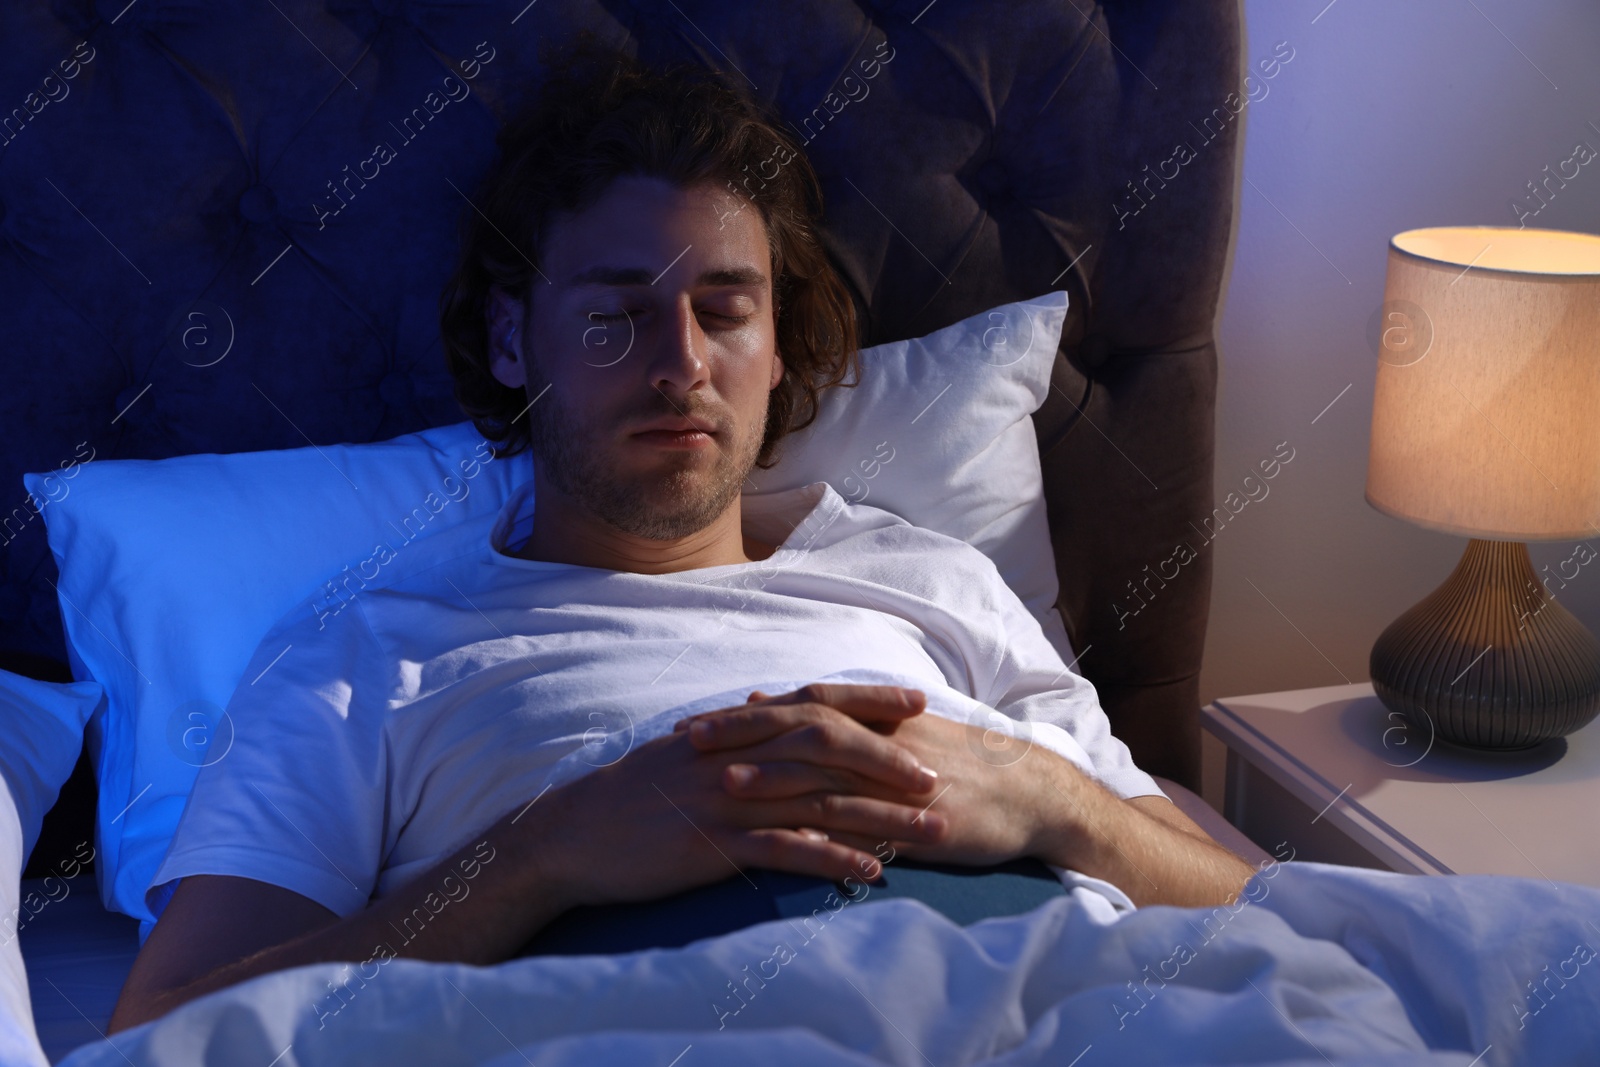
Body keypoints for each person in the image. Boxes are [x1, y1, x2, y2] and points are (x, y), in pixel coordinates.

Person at [109, 41, 1254, 1034]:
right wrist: (536, 857)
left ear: (775, 341)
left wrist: (1053, 798)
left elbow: (1246, 900)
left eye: (724, 308)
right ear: (512, 341)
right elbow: (170, 1029)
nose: (680, 363)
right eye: (614, 316)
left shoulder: (937, 583)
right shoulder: (363, 664)